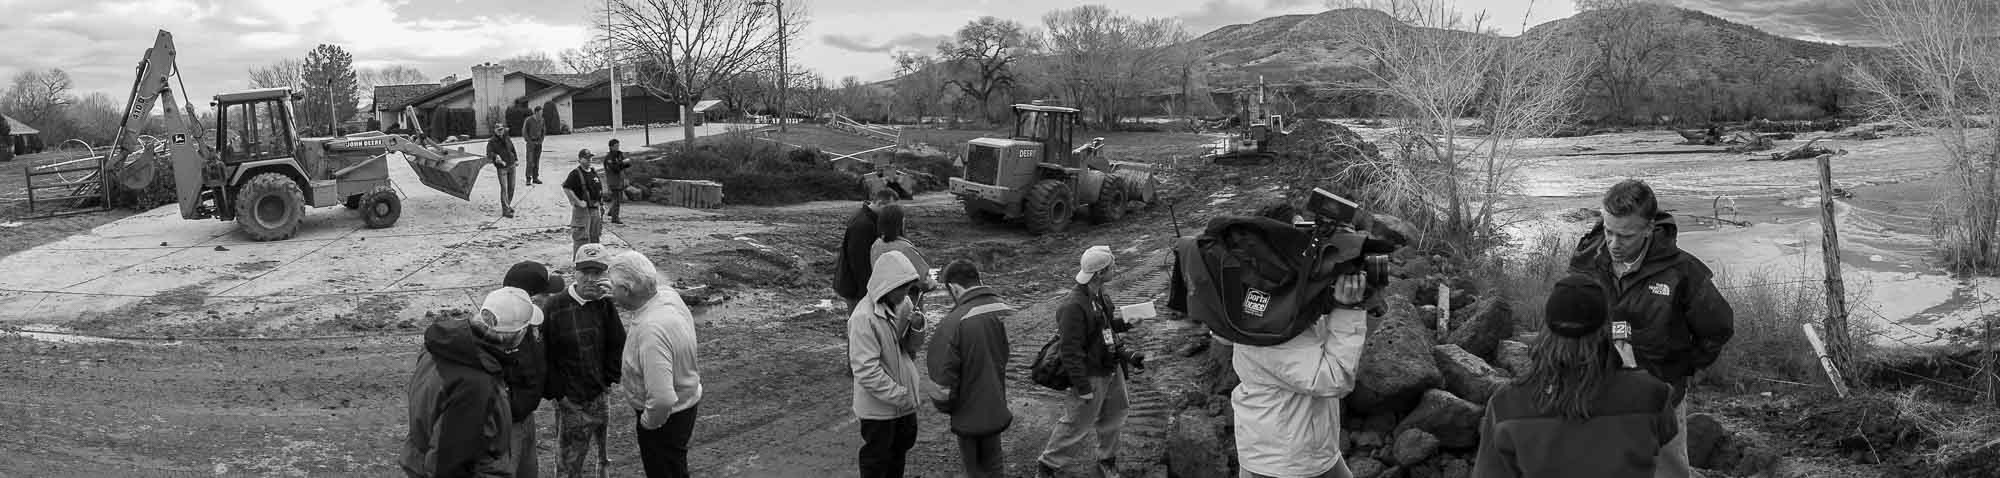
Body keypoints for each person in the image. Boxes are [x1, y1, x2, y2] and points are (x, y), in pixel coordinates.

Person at [1568, 179, 1733, 478]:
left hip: (1661, 394)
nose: (1614, 244)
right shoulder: (1586, 260)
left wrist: (1681, 368)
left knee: (1667, 471)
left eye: (1626, 236)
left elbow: (1718, 328)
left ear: (1648, 229)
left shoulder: (1682, 271)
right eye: (1608, 231)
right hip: (1597, 387)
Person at [1472, 274, 1680, 478]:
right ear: (1607, 330)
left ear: (1545, 331)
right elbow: (1671, 466)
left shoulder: (1506, 404)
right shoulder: (1652, 395)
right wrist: (1633, 376)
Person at [402, 286, 543, 478]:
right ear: (517, 335)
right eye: (526, 329)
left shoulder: (439, 347)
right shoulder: (477, 386)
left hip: (418, 452)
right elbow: (448, 461)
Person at [1231, 284, 1369, 477]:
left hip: (1299, 447)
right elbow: (1335, 378)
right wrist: (1348, 309)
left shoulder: (1261, 305)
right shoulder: (1272, 328)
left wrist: (1356, 302)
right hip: (1285, 460)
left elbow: (1333, 344)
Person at [1038, 245, 1142, 478]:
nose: (1115, 269)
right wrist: (1082, 387)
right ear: (1099, 273)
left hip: (1110, 366)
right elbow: (1070, 351)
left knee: (1115, 414)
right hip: (1091, 374)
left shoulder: (1099, 294)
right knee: (1076, 423)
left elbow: (1103, 328)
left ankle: (1107, 459)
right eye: (1111, 266)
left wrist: (1127, 323)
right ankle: (1047, 466)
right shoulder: (1073, 306)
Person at [612, 250, 704, 478]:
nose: (612, 292)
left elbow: (663, 398)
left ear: (627, 290)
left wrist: (648, 423)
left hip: (665, 419)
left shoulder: (651, 330)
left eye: (614, 287)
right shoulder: (667, 297)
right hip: (687, 403)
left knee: (663, 470)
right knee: (675, 466)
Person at [540, 243, 627, 478]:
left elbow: (617, 343)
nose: (590, 279)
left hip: (599, 393)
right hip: (569, 400)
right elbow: (544, 356)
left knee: (602, 445)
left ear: (605, 275)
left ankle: (602, 467)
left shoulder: (605, 303)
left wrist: (608, 381)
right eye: (585, 272)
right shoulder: (554, 306)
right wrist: (560, 395)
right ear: (574, 272)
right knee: (568, 461)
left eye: (597, 273)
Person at [924, 260, 1014, 478]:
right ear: (978, 279)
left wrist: (948, 406)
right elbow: (1003, 355)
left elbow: (941, 383)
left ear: (954, 288)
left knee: (975, 469)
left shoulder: (953, 323)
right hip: (994, 405)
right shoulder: (996, 311)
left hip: (968, 413)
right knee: (994, 464)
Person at [848, 251, 927, 478]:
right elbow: (866, 370)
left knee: (898, 455)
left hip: (902, 404)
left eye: (908, 287)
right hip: (879, 411)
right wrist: (900, 396)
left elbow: (911, 347)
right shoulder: (863, 318)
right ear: (886, 285)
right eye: (901, 287)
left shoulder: (903, 303)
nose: (905, 293)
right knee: (877, 462)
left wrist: (918, 327)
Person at [501, 261, 559, 478]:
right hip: (508, 425)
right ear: (531, 299)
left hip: (526, 416)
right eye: (546, 293)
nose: (550, 298)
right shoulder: (506, 333)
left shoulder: (532, 324)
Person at [834, 189, 900, 310]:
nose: (891, 213)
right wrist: (870, 292)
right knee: (861, 325)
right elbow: (859, 263)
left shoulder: (869, 219)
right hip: (857, 289)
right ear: (880, 203)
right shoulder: (862, 225)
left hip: (860, 287)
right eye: (890, 209)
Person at [869, 204, 935, 305]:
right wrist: (933, 283)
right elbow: (922, 281)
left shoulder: (876, 244)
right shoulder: (905, 248)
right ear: (900, 223)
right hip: (906, 302)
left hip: (882, 299)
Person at [564, 149, 606, 253]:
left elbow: (598, 190)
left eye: (590, 158)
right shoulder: (575, 173)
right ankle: (579, 262)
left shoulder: (593, 172)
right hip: (582, 212)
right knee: (581, 239)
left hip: (595, 210)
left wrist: (601, 205)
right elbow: (566, 188)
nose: (589, 160)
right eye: (586, 158)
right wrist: (578, 202)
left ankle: (594, 261)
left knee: (595, 237)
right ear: (580, 159)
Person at [488, 123, 519, 218]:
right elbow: (489, 153)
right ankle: (505, 210)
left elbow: (512, 149)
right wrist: (495, 156)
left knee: (512, 187)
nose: (500, 131)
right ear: (495, 131)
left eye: (502, 129)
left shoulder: (507, 138)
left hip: (512, 165)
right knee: (504, 188)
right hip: (502, 168)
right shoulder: (492, 142)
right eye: (498, 130)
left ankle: (508, 205)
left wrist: (516, 159)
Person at [604, 139, 631, 225]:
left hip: (620, 179)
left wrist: (622, 164)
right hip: (613, 181)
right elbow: (614, 169)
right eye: (616, 146)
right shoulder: (609, 157)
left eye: (618, 146)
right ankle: (615, 218)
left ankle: (612, 212)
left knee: (618, 198)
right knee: (617, 199)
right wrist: (622, 163)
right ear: (611, 147)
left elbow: (628, 164)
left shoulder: (619, 154)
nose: (617, 147)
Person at [524, 105, 547, 185]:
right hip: (531, 143)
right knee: (530, 161)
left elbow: (543, 131)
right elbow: (524, 132)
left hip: (538, 143)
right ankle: (528, 178)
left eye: (542, 112)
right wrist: (529, 141)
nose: (541, 114)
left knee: (536, 161)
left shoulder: (542, 120)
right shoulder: (529, 120)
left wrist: (541, 141)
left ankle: (535, 178)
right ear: (536, 112)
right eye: (540, 112)